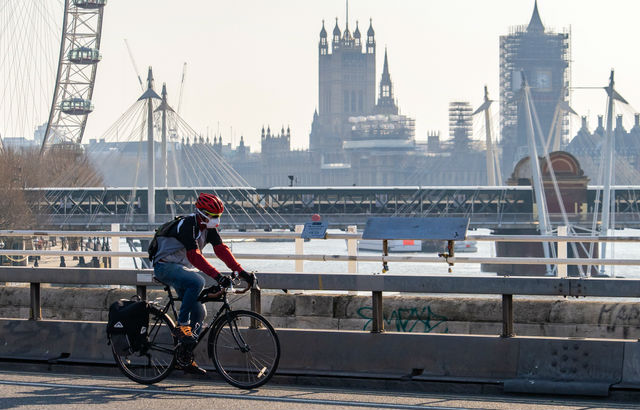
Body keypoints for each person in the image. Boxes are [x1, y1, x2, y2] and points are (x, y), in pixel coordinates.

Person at [152, 192, 255, 375]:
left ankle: (184, 357)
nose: (216, 220)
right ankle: (181, 325)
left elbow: (221, 250)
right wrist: (218, 276)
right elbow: (194, 256)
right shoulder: (188, 225)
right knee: (197, 281)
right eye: (213, 216)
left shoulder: (209, 228)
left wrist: (241, 271)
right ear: (201, 213)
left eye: (218, 216)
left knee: (200, 312)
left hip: (180, 268)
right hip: (164, 266)